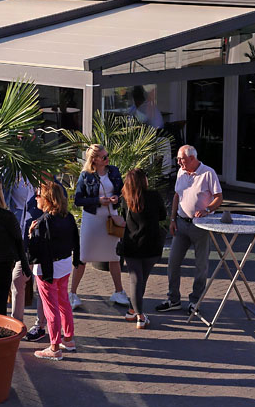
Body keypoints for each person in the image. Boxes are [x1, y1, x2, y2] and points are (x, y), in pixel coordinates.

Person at [156, 145, 223, 314]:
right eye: (178, 159)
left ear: (192, 158)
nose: (178, 162)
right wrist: (172, 218)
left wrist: (207, 209)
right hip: (181, 223)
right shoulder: (181, 172)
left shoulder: (208, 173)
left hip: (200, 226)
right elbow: (177, 196)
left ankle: (195, 301)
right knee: (173, 263)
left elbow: (218, 197)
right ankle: (173, 299)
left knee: (201, 266)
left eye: (181, 159)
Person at [71, 144, 130, 309]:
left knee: (114, 256)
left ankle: (119, 291)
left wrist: (116, 198)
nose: (107, 159)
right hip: (92, 218)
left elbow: (121, 190)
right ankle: (73, 293)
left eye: (107, 155)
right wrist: (98, 200)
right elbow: (78, 199)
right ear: (94, 160)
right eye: (104, 157)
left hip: (111, 217)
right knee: (82, 256)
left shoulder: (114, 171)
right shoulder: (85, 176)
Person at [28, 180, 82, 360]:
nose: (36, 198)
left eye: (38, 195)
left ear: (47, 199)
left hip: (47, 270)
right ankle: (68, 339)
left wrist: (30, 234)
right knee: (63, 302)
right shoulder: (67, 217)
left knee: (51, 308)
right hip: (65, 265)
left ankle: (54, 347)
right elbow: (76, 241)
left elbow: (34, 251)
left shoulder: (43, 222)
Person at [119, 168, 166, 328]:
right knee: (141, 280)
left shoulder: (126, 198)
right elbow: (162, 215)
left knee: (136, 280)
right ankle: (140, 315)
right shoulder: (154, 196)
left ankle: (133, 310)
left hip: (131, 245)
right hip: (151, 244)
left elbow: (123, 215)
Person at [0, 184, 31, 316]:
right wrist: (24, 264)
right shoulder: (7, 216)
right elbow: (18, 240)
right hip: (3, 263)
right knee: (0, 303)